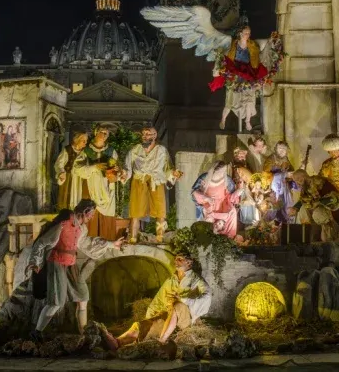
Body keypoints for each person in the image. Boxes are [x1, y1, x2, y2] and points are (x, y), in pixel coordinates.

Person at [25, 199, 124, 341]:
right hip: (57, 262)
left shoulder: (82, 228)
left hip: (71, 264)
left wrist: (111, 244)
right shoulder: (64, 223)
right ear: (84, 211)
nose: (92, 217)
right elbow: (42, 242)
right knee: (56, 302)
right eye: (91, 214)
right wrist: (35, 261)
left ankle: (83, 333)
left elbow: (87, 243)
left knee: (83, 296)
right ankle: (37, 332)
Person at [102, 254, 211, 349]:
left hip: (185, 317)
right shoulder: (171, 280)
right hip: (168, 315)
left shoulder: (196, 279)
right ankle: (118, 342)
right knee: (143, 325)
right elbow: (159, 298)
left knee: (177, 304)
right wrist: (151, 316)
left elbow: (207, 295)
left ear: (189, 262)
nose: (176, 262)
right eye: (175, 260)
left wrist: (183, 299)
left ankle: (161, 342)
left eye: (180, 259)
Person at [123, 126, 183, 244]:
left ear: (154, 136)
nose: (145, 136)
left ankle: (160, 237)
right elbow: (127, 168)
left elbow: (168, 168)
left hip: (156, 181)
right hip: (139, 181)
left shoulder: (161, 150)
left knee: (160, 210)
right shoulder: (135, 150)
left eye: (148, 134)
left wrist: (174, 173)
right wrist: (123, 174)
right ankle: (133, 237)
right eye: (143, 134)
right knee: (135, 211)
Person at [210, 26, 269, 131]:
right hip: (235, 72)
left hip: (247, 73)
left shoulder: (253, 44)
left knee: (249, 97)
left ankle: (247, 121)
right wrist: (218, 68)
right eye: (246, 33)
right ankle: (223, 119)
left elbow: (267, 43)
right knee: (230, 98)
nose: (248, 35)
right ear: (240, 34)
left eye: (249, 33)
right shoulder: (232, 45)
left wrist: (274, 38)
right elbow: (221, 56)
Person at [72, 125, 119, 238]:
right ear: (95, 133)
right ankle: (87, 241)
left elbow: (117, 168)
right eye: (102, 132)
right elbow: (77, 168)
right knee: (89, 212)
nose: (104, 135)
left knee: (106, 217)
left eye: (106, 133)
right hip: (89, 186)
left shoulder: (111, 151)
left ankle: (107, 241)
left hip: (105, 186)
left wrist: (117, 170)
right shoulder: (86, 150)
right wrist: (94, 167)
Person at [289, 170, 339, 241]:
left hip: (331, 209)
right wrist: (295, 208)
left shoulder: (318, 181)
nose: (297, 183)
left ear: (303, 177)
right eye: (295, 181)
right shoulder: (305, 187)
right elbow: (303, 199)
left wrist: (318, 203)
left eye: (297, 179)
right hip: (319, 214)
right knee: (306, 212)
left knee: (318, 214)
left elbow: (333, 197)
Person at [191, 161, 242, 239]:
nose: (223, 173)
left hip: (223, 203)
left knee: (233, 213)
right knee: (208, 222)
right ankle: (210, 238)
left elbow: (231, 193)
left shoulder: (227, 179)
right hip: (209, 204)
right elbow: (194, 192)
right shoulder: (204, 178)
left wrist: (238, 192)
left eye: (224, 171)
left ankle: (229, 237)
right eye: (221, 171)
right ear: (214, 170)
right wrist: (206, 198)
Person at [53, 132, 88, 210]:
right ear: (77, 140)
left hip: (80, 178)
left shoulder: (85, 152)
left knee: (80, 196)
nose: (85, 143)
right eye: (83, 140)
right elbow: (59, 163)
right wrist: (61, 172)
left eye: (86, 140)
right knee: (67, 197)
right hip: (69, 177)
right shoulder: (67, 150)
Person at [263, 141, 295, 224]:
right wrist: (283, 174)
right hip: (273, 189)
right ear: (276, 149)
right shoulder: (270, 159)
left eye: (284, 149)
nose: (282, 151)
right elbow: (266, 175)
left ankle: (285, 224)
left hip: (284, 188)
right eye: (280, 149)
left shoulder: (286, 159)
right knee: (273, 209)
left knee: (285, 209)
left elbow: (291, 171)